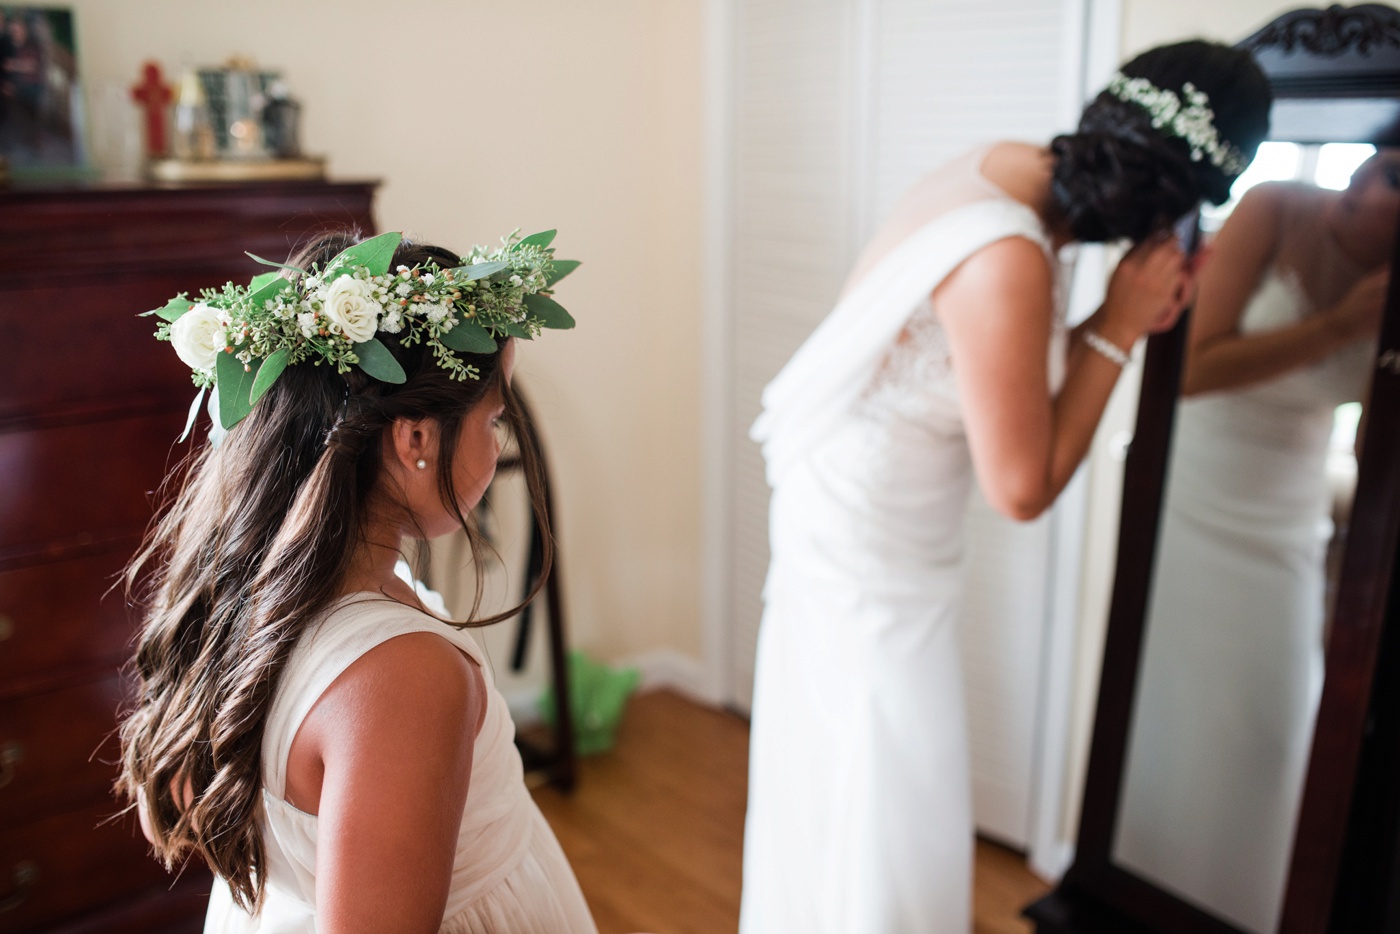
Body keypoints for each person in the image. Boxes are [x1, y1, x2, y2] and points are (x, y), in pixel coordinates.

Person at [741, 41, 1272, 933]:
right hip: (872, 559)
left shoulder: (1012, 165)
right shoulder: (1011, 256)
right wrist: (1120, 324)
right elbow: (1022, 489)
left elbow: (1001, 369)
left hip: (860, 515)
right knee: (885, 786)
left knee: (856, 776)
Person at [117, 229, 597, 933]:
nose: (498, 444)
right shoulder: (404, 681)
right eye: (494, 419)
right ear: (415, 440)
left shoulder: (256, 592)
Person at [1114, 151, 1398, 933]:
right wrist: (1342, 325)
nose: (1366, 187)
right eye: (1373, 165)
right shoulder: (1276, 208)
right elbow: (1194, 369)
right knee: (1168, 714)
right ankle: (1135, 888)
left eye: (1396, 182)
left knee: (1270, 737)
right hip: (1196, 496)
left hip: (1286, 521)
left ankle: (1239, 909)